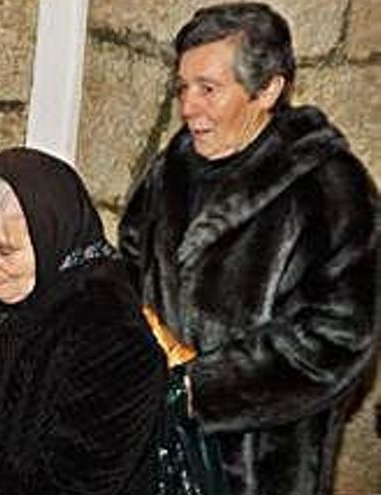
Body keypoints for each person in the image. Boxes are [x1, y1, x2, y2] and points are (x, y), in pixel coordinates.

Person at [118, 3, 378, 495]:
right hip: (158, 452)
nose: (189, 107)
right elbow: (128, 276)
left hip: (262, 467)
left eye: (208, 89)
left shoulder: (328, 185)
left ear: (268, 90)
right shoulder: (168, 172)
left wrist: (202, 387)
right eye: (183, 88)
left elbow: (341, 336)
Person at [0, 148, 168, 495]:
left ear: (52, 233)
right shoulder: (28, 287)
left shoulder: (113, 336)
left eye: (3, 250)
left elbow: (75, 485)